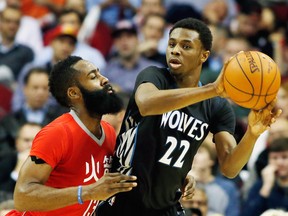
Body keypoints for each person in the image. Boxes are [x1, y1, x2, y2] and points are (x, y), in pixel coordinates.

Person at [95, 17, 281, 216]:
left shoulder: (217, 107)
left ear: (204, 55)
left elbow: (229, 168)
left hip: (167, 205)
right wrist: (212, 89)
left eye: (186, 46)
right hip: (124, 200)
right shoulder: (154, 76)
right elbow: (147, 104)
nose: (175, 50)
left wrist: (252, 134)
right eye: (172, 44)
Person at [7, 56, 138, 215]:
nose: (104, 79)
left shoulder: (109, 132)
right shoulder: (57, 133)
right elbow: (22, 197)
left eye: (100, 73)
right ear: (74, 93)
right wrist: (87, 192)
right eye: (93, 77)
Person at [242, 137, 288, 215]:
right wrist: (266, 187)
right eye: (274, 158)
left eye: (284, 157)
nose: (279, 163)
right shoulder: (260, 185)